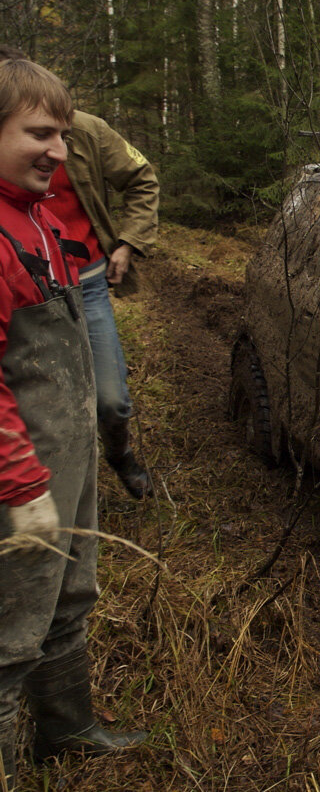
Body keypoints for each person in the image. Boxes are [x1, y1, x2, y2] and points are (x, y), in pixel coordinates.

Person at [0, 58, 145, 788]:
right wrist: (23, 485)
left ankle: (69, 733)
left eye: (62, 135)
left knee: (67, 598)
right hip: (20, 481)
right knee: (8, 630)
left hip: (67, 464)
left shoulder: (36, 218)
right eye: (39, 134)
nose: (59, 152)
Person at [0, 46, 158, 500]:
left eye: (60, 137)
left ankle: (117, 455)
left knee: (109, 399)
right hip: (18, 291)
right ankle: (43, 485)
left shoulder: (84, 131)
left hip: (82, 286)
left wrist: (127, 242)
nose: (57, 150)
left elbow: (141, 176)